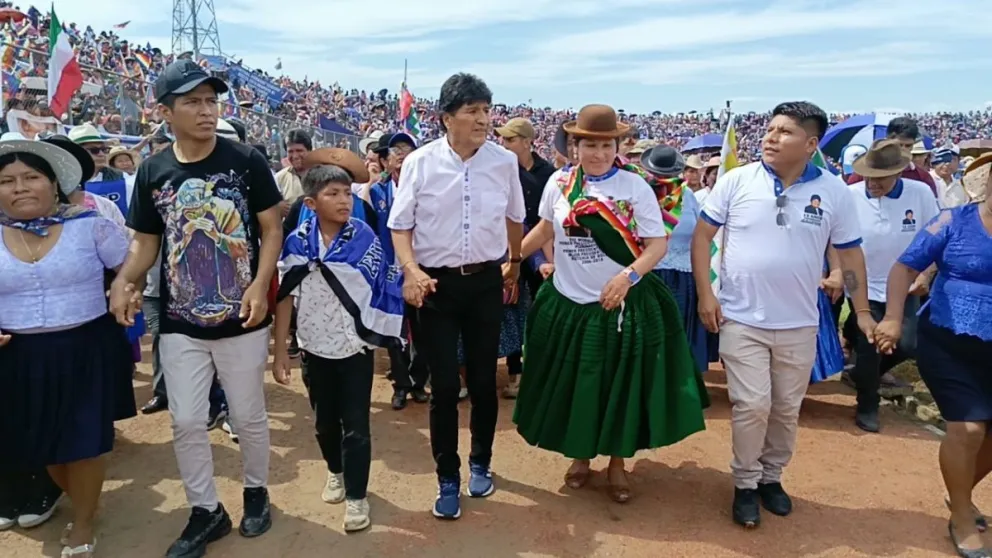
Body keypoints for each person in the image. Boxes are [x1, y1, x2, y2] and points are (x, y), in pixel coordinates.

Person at [108, 59, 283, 557]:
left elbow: (271, 229)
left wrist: (259, 285)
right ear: (166, 111)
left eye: (211, 101)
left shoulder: (246, 161)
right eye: (193, 102)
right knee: (186, 420)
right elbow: (146, 241)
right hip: (182, 321)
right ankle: (206, 511)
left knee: (248, 415)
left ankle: (255, 492)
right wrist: (126, 279)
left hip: (241, 316)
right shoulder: (153, 170)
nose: (206, 111)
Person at [692, 101, 875, 529]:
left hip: (799, 322)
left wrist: (861, 309)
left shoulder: (833, 193)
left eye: (784, 131)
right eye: (770, 129)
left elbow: (849, 256)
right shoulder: (736, 180)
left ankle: (771, 478)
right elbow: (703, 237)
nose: (771, 137)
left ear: (810, 144)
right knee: (751, 404)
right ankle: (744, 483)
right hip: (741, 317)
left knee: (786, 407)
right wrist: (706, 293)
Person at [512, 105, 707, 504]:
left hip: (622, 303)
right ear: (574, 145)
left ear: (617, 146)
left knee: (620, 386)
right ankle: (581, 455)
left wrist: (627, 276)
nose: (597, 152)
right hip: (568, 300)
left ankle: (617, 462)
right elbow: (546, 228)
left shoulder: (635, 187)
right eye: (589, 144)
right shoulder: (560, 183)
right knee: (577, 384)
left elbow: (657, 244)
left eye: (606, 144)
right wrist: (512, 260)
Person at [387, 73, 525, 520]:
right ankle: (447, 476)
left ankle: (481, 462)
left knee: (484, 381)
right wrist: (411, 270)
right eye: (472, 111)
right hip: (436, 288)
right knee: (446, 386)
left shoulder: (504, 163)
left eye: (486, 110)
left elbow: (515, 217)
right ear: (447, 118)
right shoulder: (421, 163)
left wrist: (515, 262)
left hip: (486, 283)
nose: (484, 119)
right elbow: (400, 225)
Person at [0, 135, 136, 557]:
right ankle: (77, 499)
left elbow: (132, 260)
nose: (20, 187)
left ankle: (85, 519)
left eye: (31, 177)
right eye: (7, 180)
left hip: (86, 347)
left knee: (85, 441)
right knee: (45, 446)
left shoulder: (89, 224)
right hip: (17, 355)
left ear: (54, 183)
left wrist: (125, 287)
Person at [273, 148, 404, 532]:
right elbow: (285, 298)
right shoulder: (297, 244)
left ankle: (357, 497)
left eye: (347, 193)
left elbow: (382, 284)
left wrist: (377, 331)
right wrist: (282, 350)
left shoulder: (363, 237)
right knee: (324, 424)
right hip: (314, 346)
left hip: (354, 347)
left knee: (356, 425)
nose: (344, 200)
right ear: (311, 203)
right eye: (333, 194)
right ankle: (335, 470)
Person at [875, 152, 992, 558]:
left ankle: (961, 493)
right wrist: (892, 318)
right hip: (949, 342)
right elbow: (904, 267)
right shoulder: (952, 221)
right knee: (970, 429)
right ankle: (961, 514)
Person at [844, 139, 939, 432]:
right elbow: (840, 249)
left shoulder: (921, 194)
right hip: (862, 284)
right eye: (869, 176)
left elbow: (936, 237)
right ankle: (867, 403)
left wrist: (926, 274)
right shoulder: (850, 196)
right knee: (870, 342)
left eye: (881, 178)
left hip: (906, 286)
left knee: (907, 343)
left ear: (898, 173)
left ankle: (861, 374)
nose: (873, 183)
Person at [494, 117, 556, 398]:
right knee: (512, 307)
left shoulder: (550, 174)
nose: (504, 144)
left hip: (544, 248)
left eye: (510, 139)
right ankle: (515, 373)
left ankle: (543, 371)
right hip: (510, 245)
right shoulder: (501, 170)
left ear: (528, 141)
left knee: (543, 311)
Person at [640, 145, 712, 375]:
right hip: (648, 276)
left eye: (669, 173)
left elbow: (700, 236)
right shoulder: (639, 194)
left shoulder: (688, 196)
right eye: (659, 173)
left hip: (683, 276)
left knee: (678, 334)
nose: (664, 178)